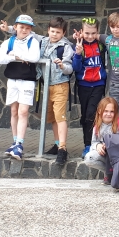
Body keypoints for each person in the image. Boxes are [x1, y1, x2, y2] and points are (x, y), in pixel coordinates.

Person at [0, 14, 41, 160]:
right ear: (15, 27)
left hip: (27, 80)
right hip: (12, 80)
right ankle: (14, 142)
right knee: (14, 111)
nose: (24, 30)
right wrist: (14, 57)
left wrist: (16, 54)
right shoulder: (9, 42)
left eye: (28, 28)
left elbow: (34, 57)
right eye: (21, 27)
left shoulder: (33, 42)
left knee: (23, 111)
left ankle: (19, 144)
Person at [39, 17, 74, 165]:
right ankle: (57, 143)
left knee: (60, 116)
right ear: (48, 30)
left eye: (58, 32)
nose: (54, 34)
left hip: (60, 84)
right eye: (52, 31)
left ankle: (62, 148)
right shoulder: (43, 41)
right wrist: (10, 29)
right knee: (52, 117)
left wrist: (62, 66)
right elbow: (26, 33)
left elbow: (70, 69)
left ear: (63, 33)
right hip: (47, 85)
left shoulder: (66, 47)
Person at [83, 97, 119, 192]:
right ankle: (110, 173)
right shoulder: (97, 126)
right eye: (106, 111)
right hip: (107, 155)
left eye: (112, 111)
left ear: (116, 112)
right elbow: (93, 142)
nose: (108, 114)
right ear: (99, 111)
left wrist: (114, 143)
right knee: (89, 158)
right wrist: (98, 146)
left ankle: (118, 173)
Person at [72, 17, 108, 158]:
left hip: (98, 84)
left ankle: (93, 144)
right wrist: (77, 53)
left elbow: (113, 38)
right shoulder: (78, 45)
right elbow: (76, 68)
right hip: (83, 85)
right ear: (81, 32)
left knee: (91, 114)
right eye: (87, 33)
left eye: (93, 33)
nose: (90, 36)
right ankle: (87, 145)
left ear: (97, 32)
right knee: (85, 116)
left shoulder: (101, 44)